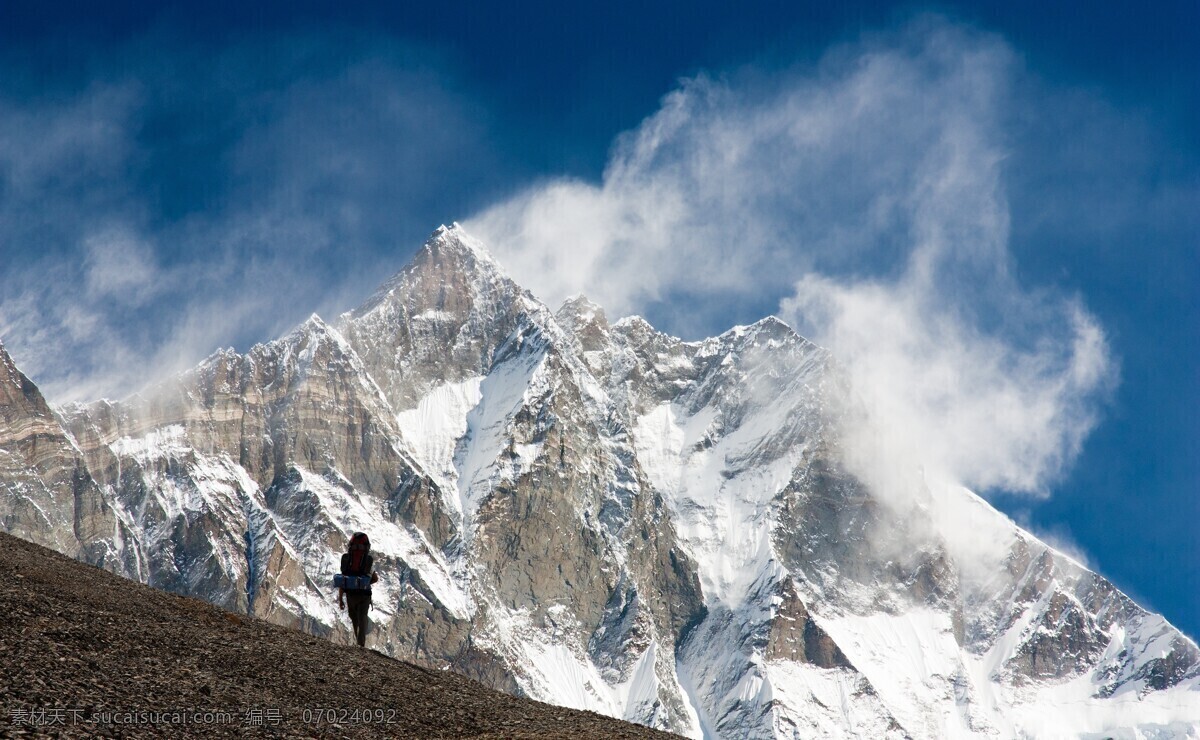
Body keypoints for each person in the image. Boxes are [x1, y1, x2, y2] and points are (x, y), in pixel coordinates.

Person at [338, 532, 379, 647]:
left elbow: (343, 580)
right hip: (364, 595)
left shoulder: (346, 560)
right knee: (362, 618)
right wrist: (365, 583)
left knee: (354, 619)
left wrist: (340, 599)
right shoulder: (368, 561)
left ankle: (357, 643)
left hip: (350, 594)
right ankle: (361, 645)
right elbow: (375, 578)